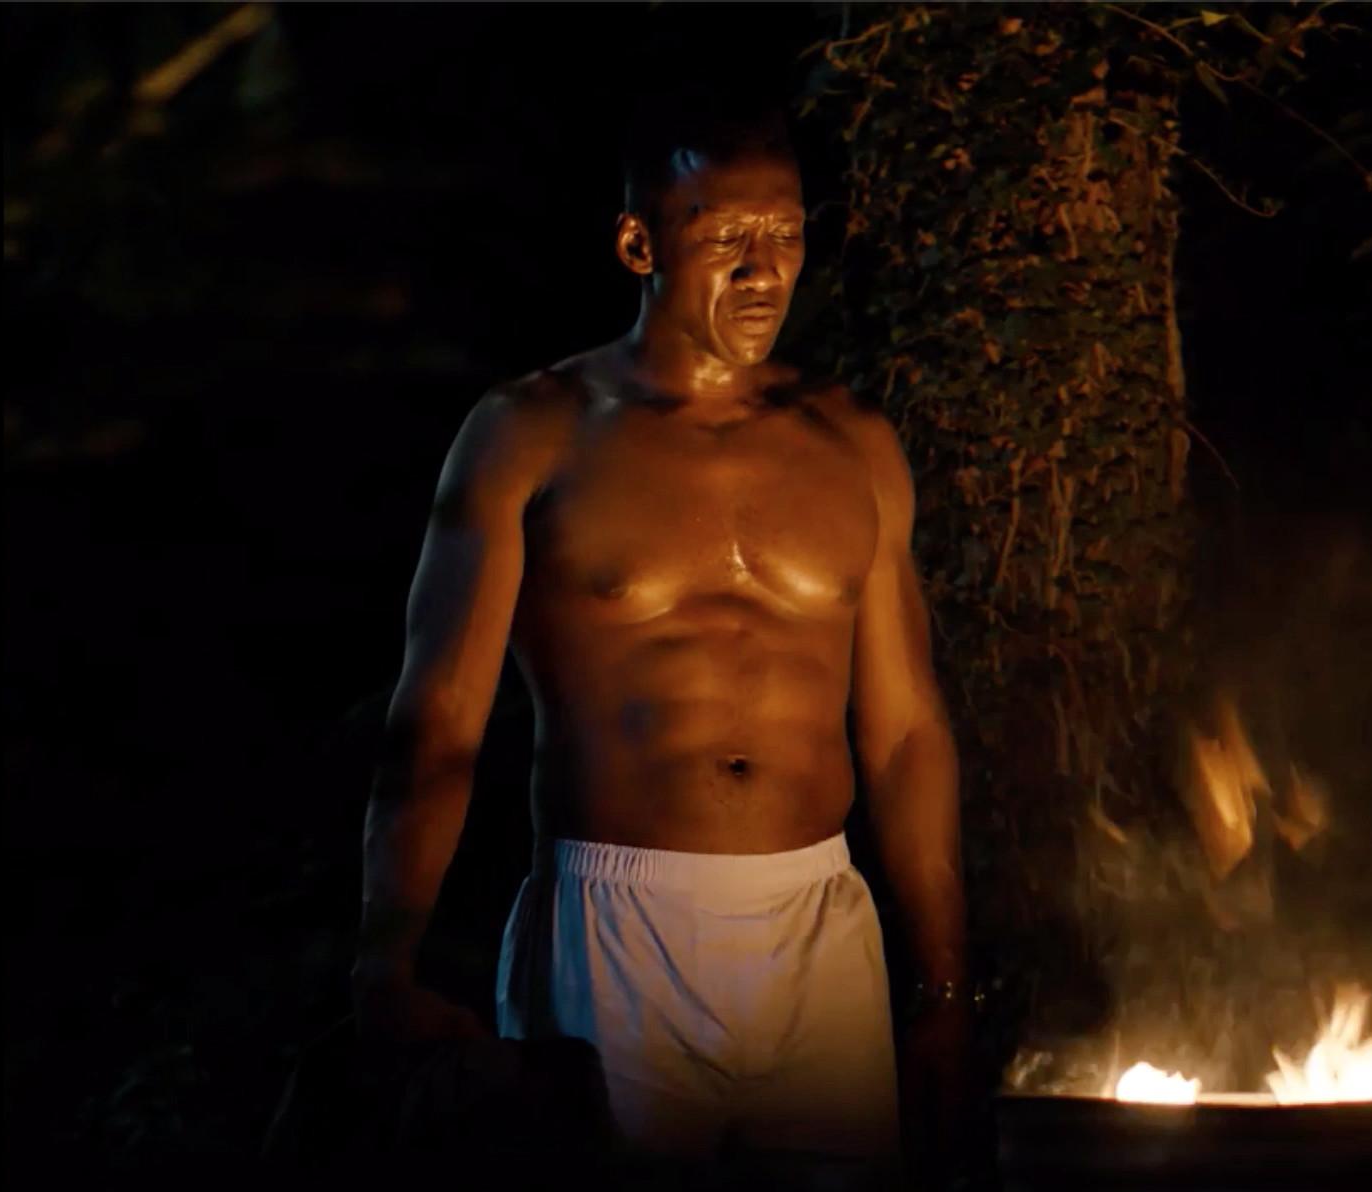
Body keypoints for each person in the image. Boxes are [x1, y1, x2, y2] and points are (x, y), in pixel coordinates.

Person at [350, 103, 970, 1179]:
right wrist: (383, 960)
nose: (762, 269)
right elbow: (438, 719)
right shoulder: (531, 432)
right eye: (725, 235)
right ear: (641, 244)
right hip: (612, 921)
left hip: (819, 921)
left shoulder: (854, 441)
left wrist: (946, 987)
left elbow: (907, 729)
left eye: (784, 234)